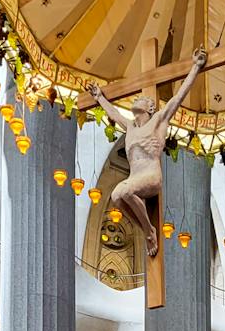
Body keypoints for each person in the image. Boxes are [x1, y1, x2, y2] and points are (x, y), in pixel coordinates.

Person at [87, 46, 210, 257]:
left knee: (124, 191)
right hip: (135, 177)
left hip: (151, 176)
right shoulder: (131, 127)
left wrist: (196, 67)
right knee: (116, 196)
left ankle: (149, 231)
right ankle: (147, 230)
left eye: (140, 101)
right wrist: (99, 97)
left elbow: (178, 97)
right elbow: (114, 114)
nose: (136, 101)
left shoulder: (158, 121)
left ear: (150, 108)